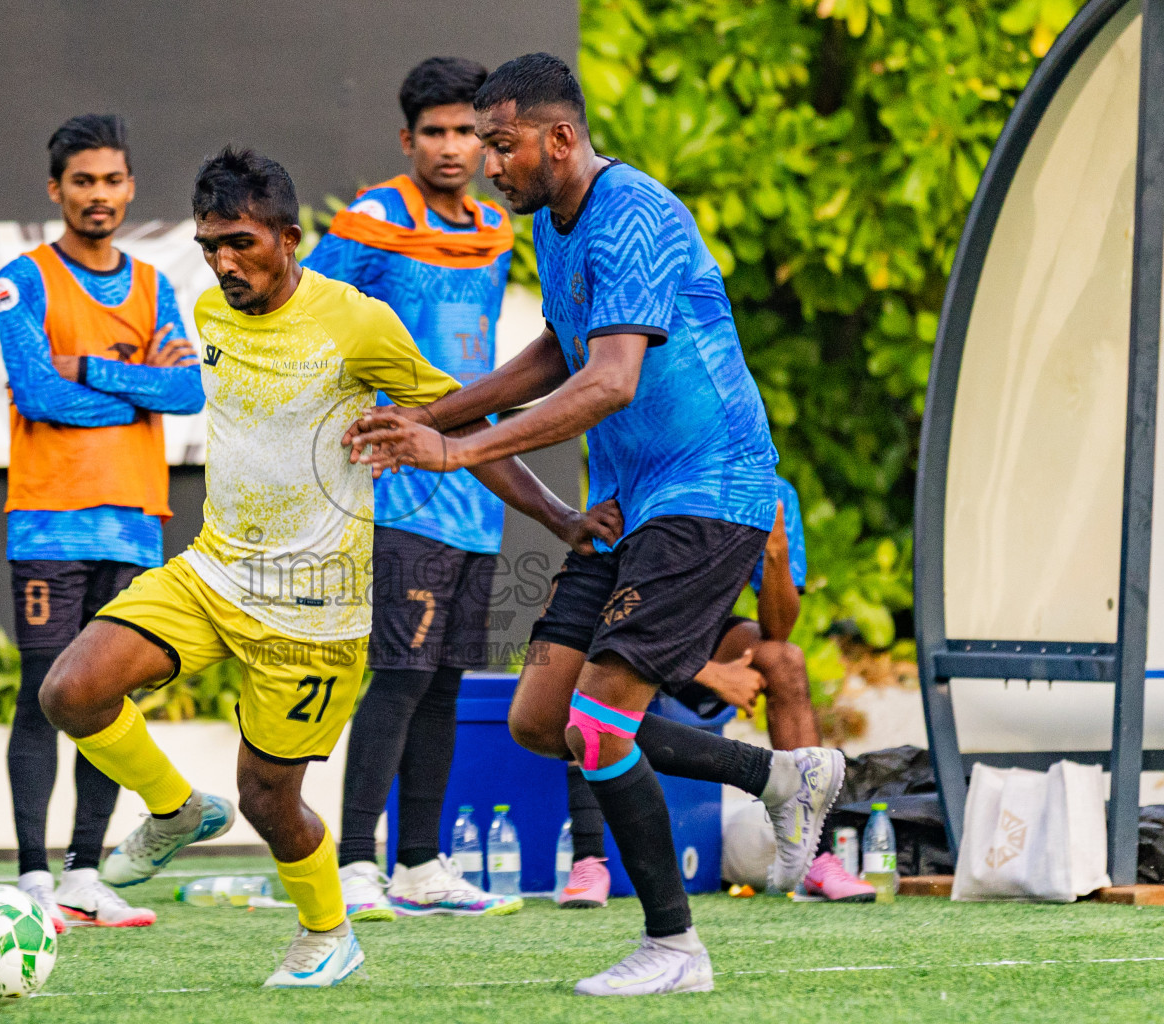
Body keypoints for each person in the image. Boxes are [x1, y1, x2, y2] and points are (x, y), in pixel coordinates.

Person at [38, 147, 609, 988]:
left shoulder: (358, 322)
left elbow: (457, 422)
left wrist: (559, 517)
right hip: (214, 572)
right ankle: (173, 811)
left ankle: (327, 933)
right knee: (71, 691)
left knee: (270, 799)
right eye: (209, 245)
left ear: (290, 237)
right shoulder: (210, 313)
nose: (224, 263)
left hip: (313, 613)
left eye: (240, 242)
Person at [345, 54, 846, 996]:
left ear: (560, 138)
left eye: (502, 145)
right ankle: (780, 776)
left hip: (709, 492)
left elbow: (610, 378)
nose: (489, 165)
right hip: (630, 509)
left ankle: (675, 949)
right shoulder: (554, 224)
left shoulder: (638, 214)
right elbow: (555, 352)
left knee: (602, 721)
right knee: (546, 720)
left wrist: (451, 451)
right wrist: (437, 416)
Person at [302, 57, 521, 921]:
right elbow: (308, 315)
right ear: (407, 140)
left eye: (468, 130)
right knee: (396, 673)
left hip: (473, 484)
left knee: (446, 681)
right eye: (435, 131)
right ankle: (355, 863)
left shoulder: (501, 228)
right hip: (396, 491)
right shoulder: (370, 221)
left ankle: (421, 863)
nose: (453, 145)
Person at [0, 114, 204, 933]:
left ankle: (85, 873)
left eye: (112, 180)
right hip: (48, 521)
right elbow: (37, 393)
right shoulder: (25, 278)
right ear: (57, 190)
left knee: (105, 700)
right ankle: (31, 876)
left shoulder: (155, 285)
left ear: (130, 186)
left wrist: (91, 368)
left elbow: (187, 394)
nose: (99, 195)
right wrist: (132, 383)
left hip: (133, 524)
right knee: (41, 695)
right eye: (83, 181)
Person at [554, 478, 871, 907]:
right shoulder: (651, 477)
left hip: (691, 631)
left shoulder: (770, 489)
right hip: (620, 631)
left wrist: (775, 550)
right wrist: (708, 673)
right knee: (593, 681)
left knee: (785, 659)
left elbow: (778, 629)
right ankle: (589, 861)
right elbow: (612, 611)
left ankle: (818, 856)